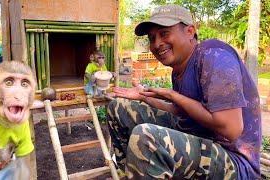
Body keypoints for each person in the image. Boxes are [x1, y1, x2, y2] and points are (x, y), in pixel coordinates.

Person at [107, 4, 261, 179]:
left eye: (164, 33)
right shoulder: (180, 68)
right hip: (200, 137)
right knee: (119, 108)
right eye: (152, 38)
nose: (157, 44)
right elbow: (185, 113)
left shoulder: (214, 56)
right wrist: (146, 98)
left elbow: (230, 128)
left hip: (233, 162)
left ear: (189, 31)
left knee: (147, 138)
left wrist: (173, 95)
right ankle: (131, 174)